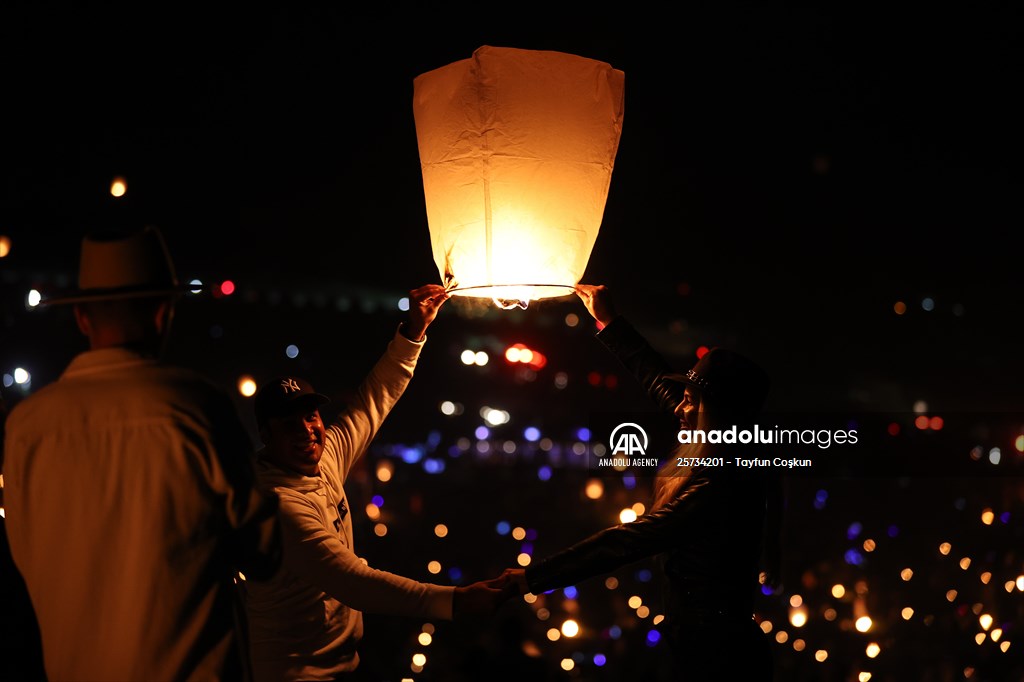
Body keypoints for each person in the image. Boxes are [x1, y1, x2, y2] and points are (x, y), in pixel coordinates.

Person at [2, 226, 282, 681]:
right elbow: (264, 556)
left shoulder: (26, 427)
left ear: (82, 319)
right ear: (163, 313)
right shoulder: (199, 408)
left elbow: (25, 556)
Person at [242, 283, 515, 681]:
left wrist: (413, 331)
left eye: (311, 416)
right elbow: (351, 581)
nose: (307, 430)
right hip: (293, 674)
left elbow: (375, 399)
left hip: (340, 666)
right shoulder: (277, 505)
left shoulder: (326, 455)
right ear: (267, 436)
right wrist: (453, 601)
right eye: (289, 424)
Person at [510, 284, 782, 681]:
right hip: (701, 648)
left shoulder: (723, 483)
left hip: (718, 661)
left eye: (691, 401)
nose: (681, 408)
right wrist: (608, 319)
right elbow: (655, 378)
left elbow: (627, 542)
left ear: (719, 414)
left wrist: (528, 579)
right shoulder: (721, 439)